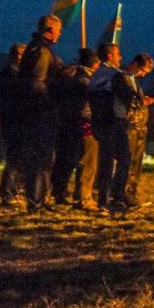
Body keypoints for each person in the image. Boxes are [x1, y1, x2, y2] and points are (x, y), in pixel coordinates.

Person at [18, 15, 65, 212]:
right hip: (40, 114)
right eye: (58, 30)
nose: (61, 33)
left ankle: (39, 199)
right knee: (41, 158)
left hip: (39, 112)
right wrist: (51, 101)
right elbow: (36, 83)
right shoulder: (41, 52)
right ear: (49, 30)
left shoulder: (39, 49)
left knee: (44, 158)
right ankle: (36, 202)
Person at [50, 49, 100, 209]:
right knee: (87, 162)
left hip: (67, 124)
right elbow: (87, 105)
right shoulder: (86, 81)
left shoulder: (70, 76)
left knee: (66, 160)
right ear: (95, 64)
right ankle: (83, 198)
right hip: (85, 125)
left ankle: (58, 192)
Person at [90, 43, 133, 212]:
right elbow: (127, 96)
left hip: (100, 122)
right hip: (115, 120)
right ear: (110, 56)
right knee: (124, 159)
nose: (120, 57)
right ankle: (118, 197)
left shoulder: (95, 76)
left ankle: (103, 199)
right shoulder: (115, 75)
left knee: (106, 161)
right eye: (118, 53)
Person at [123, 54, 154, 206]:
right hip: (130, 126)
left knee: (137, 163)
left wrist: (143, 103)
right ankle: (124, 193)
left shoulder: (134, 81)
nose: (143, 75)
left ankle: (131, 193)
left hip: (139, 126)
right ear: (135, 64)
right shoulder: (123, 79)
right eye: (142, 71)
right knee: (128, 162)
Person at [0, 43, 26, 205]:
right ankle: (9, 193)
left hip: (14, 119)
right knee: (15, 157)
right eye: (19, 54)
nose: (21, 58)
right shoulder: (11, 73)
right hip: (13, 120)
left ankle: (12, 191)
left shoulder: (13, 73)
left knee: (18, 157)